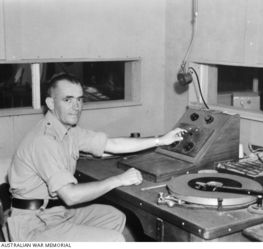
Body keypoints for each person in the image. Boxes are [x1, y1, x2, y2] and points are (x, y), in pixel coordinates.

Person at [7, 72, 186, 242]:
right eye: (67, 100)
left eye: (79, 100)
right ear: (51, 103)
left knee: (115, 217)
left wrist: (160, 140)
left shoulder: (68, 131)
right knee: (114, 240)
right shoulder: (44, 140)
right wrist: (118, 180)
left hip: (55, 212)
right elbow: (71, 196)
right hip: (33, 225)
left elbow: (113, 145)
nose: (76, 107)